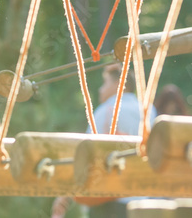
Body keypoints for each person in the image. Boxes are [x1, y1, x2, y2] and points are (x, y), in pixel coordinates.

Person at [52, 63, 157, 218]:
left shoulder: (105, 110)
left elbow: (85, 156)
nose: (101, 89)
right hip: (141, 200)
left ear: (117, 84)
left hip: (108, 202)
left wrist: (64, 195)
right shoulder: (149, 111)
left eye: (105, 82)